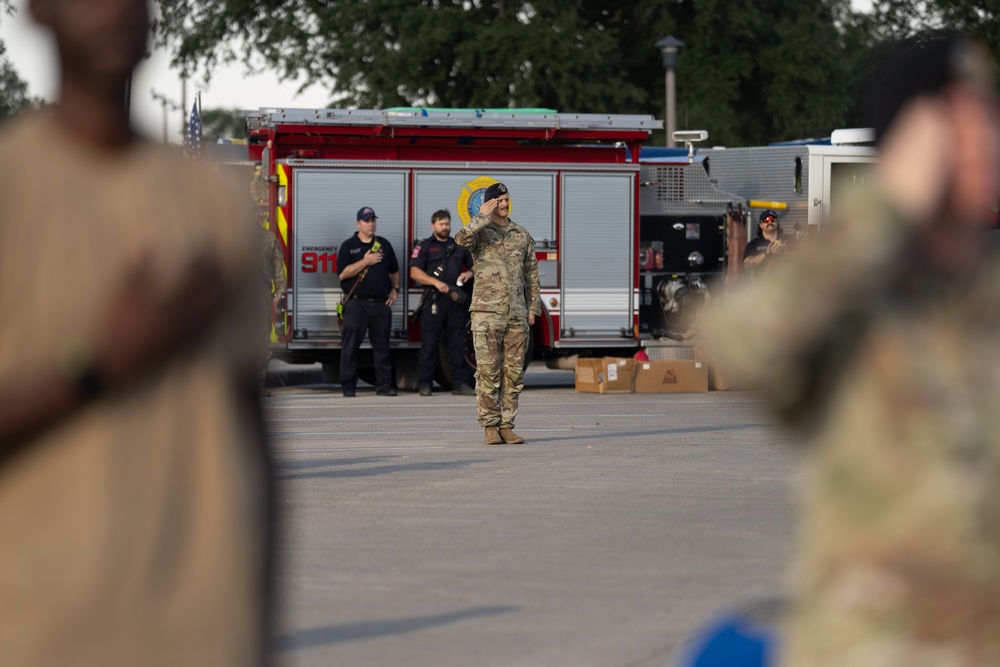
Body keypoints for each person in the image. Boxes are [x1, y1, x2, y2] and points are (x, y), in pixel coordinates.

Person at [704, 35, 1000, 666]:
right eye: (964, 120)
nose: (988, 137)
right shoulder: (855, 306)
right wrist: (888, 202)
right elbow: (740, 341)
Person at [0, 0, 274, 665]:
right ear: (38, 12)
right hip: (41, 634)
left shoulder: (215, 205)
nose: (116, 9)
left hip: (205, 637)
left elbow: (255, 440)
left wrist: (261, 627)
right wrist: (97, 364)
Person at [455, 182, 540, 445]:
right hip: (487, 313)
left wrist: (533, 308)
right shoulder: (481, 232)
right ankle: (489, 426)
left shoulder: (521, 235)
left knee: (513, 374)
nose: (504, 205)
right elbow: (461, 240)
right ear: (490, 203)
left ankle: (507, 425)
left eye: (506, 200)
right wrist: (480, 215)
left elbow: (532, 275)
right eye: (498, 201)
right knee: (488, 372)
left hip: (516, 314)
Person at [409, 209, 475, 396]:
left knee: (456, 344)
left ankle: (460, 384)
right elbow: (414, 272)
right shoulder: (425, 247)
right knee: (429, 344)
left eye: (447, 223)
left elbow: (476, 265)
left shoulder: (458, 246)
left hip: (455, 302)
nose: (445, 227)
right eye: (441, 224)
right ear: (433, 226)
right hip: (434, 300)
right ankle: (425, 384)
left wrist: (469, 273)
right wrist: (436, 282)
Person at [337, 206, 400, 397]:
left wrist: (395, 290)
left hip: (381, 304)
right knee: (350, 348)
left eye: (373, 220)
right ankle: (348, 386)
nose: (371, 224)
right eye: (367, 221)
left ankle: (384, 385)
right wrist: (365, 261)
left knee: (382, 348)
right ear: (358, 224)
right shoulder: (349, 246)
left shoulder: (384, 245)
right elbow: (343, 274)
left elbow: (395, 270)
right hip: (357, 304)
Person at [257, 213, 287, 397]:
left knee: (260, 341)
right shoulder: (232, 234)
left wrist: (280, 290)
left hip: (260, 295)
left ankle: (257, 383)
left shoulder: (269, 238)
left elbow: (277, 265)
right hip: (247, 296)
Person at [742, 209, 786, 276]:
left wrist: (783, 252)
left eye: (773, 220)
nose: (770, 222)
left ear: (777, 223)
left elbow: (802, 260)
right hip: (763, 285)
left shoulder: (789, 239)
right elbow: (747, 265)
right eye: (766, 220)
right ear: (761, 225)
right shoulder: (753, 244)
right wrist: (765, 253)